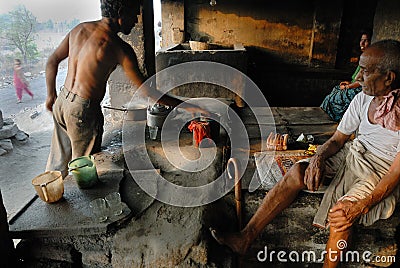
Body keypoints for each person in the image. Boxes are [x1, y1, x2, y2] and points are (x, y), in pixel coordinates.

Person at [210, 40, 400, 267]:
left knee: (341, 215)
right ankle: (245, 237)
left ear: (389, 78)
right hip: (354, 153)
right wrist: (318, 158)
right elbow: (338, 140)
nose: (357, 78)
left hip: (382, 169)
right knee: (298, 171)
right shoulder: (362, 99)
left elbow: (395, 172)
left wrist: (362, 205)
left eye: (366, 72)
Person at [45, 0, 205, 178]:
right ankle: (81, 203)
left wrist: (51, 95)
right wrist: (185, 105)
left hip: (62, 102)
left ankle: (50, 193)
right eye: (134, 14)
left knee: (57, 164)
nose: (136, 21)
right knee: (84, 168)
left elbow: (52, 61)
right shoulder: (119, 48)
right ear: (121, 12)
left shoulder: (79, 29)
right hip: (83, 111)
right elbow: (147, 92)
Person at [320, 30, 372, 122]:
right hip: (354, 85)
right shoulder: (364, 56)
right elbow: (356, 78)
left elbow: (360, 82)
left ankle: (336, 120)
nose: (362, 43)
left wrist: (348, 86)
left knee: (332, 97)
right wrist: (349, 83)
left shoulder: (369, 59)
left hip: (359, 88)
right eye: (361, 40)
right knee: (336, 89)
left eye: (366, 40)